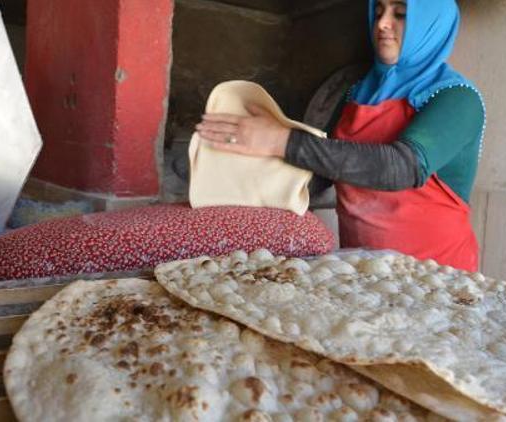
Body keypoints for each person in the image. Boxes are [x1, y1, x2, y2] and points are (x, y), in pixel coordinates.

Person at [196, 0, 485, 272]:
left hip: (435, 274)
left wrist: (281, 140)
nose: (382, 24)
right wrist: (250, 165)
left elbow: (399, 168)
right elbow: (329, 168)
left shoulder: (457, 98)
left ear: (431, 22)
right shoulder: (356, 93)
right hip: (362, 268)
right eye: (378, 11)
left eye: (400, 13)